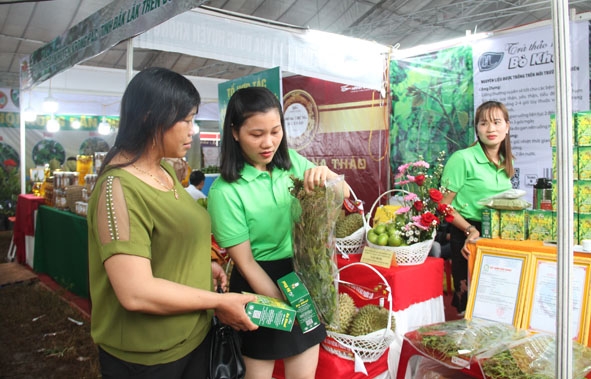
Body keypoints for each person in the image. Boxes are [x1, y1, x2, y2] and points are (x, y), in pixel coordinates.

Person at [86, 67, 257, 379]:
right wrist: (219, 303)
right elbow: (135, 291)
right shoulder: (118, 189)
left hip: (193, 338)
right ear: (151, 117)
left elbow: (163, 242)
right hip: (150, 357)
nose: (193, 130)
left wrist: (200, 266)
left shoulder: (163, 170)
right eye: (187, 120)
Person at [207, 86, 349, 379]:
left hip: (302, 275)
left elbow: (344, 195)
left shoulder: (293, 163)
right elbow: (245, 263)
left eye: (275, 131)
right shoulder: (225, 192)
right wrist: (284, 307)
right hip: (258, 285)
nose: (268, 143)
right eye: (256, 135)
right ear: (234, 132)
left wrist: (329, 177)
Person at [440, 100, 514, 316]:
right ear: (476, 129)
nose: (491, 129)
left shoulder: (504, 162)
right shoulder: (462, 158)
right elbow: (443, 205)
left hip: (497, 237)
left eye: (497, 122)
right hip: (468, 235)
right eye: (484, 123)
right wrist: (469, 230)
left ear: (507, 127)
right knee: (471, 305)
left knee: (496, 302)